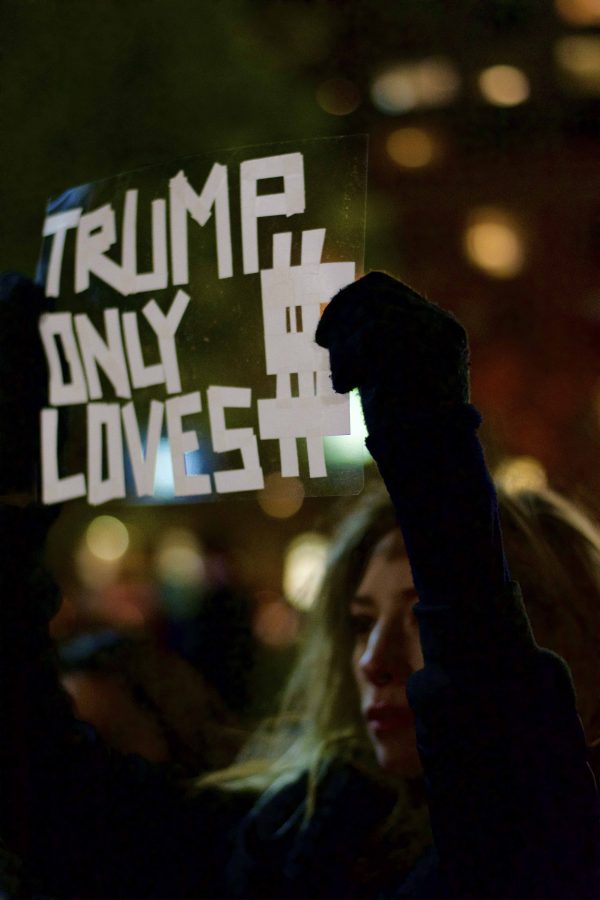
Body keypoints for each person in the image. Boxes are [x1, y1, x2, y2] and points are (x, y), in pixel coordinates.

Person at [1, 270, 599, 898]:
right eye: (361, 623)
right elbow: (62, 808)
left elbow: (506, 815)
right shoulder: (297, 834)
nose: (375, 661)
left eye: (428, 622)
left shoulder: (562, 845)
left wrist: (432, 452)